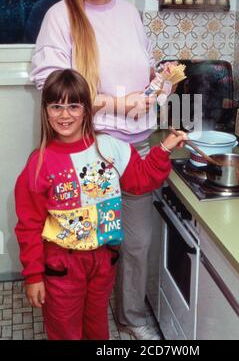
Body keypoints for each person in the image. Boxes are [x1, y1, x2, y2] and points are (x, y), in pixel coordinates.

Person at [29, 0, 167, 340]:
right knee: (87, 243)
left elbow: (144, 67)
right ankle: (82, 323)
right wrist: (116, 104)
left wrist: (160, 82)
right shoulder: (60, 16)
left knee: (137, 242)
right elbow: (50, 84)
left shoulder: (128, 13)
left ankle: (130, 316)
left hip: (136, 144)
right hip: (88, 152)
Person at [15, 69, 187, 340]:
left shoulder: (111, 147)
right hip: (62, 265)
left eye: (74, 105)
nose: (65, 114)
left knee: (96, 326)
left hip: (103, 261)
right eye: (56, 106)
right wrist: (34, 276)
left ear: (86, 109)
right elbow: (28, 226)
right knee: (64, 329)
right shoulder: (39, 163)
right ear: (45, 111)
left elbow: (140, 180)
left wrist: (164, 148)